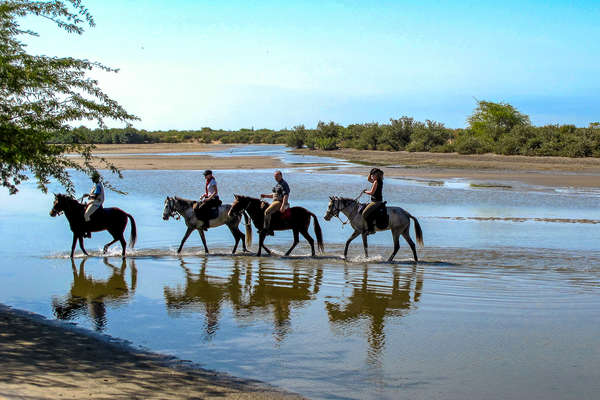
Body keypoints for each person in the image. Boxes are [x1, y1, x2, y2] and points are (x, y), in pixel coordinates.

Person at [260, 170, 290, 235]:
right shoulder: (277, 184)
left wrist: (283, 206)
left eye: (277, 176)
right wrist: (265, 196)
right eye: (275, 177)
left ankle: (267, 229)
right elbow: (274, 195)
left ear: (281, 176)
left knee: (267, 212)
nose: (276, 178)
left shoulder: (284, 184)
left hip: (280, 202)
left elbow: (286, 195)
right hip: (275, 201)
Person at [361, 168, 384, 234]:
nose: (371, 176)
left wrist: (365, 191)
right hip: (377, 201)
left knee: (364, 213)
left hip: (376, 202)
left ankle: (371, 229)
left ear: (376, 175)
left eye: (373, 175)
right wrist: (370, 173)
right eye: (371, 175)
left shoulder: (376, 182)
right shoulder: (379, 181)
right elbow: (368, 179)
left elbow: (372, 193)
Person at [82, 171, 104, 238]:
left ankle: (88, 233)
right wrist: (88, 195)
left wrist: (88, 195)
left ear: (97, 178)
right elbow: (93, 195)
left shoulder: (98, 186)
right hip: (93, 201)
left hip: (96, 202)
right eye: (92, 178)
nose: (92, 179)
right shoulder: (96, 184)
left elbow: (96, 196)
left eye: (93, 178)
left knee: (86, 215)